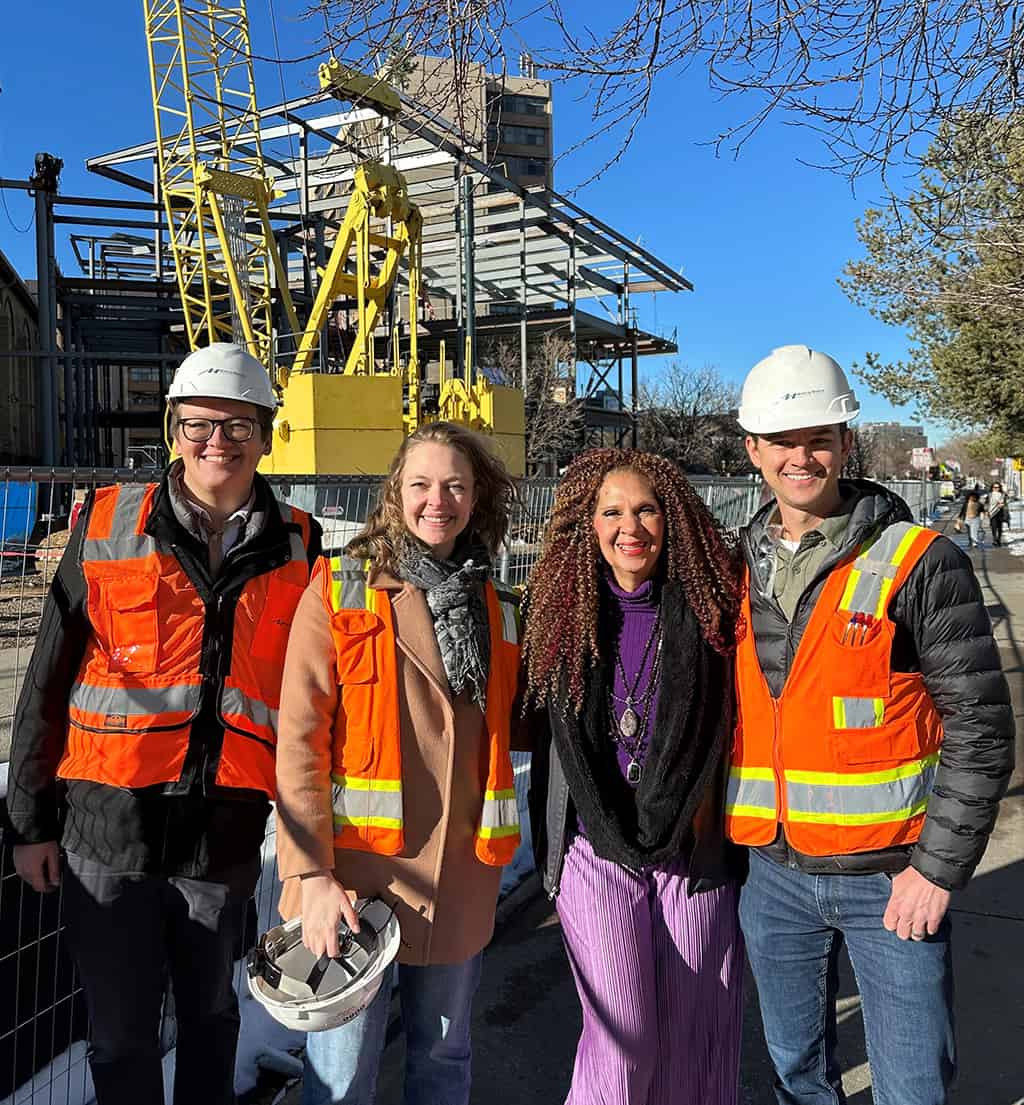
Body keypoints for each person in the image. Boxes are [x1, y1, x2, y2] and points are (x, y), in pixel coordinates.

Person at [6, 343, 321, 1105]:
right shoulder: (109, 522)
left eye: (239, 426)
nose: (219, 442)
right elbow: (47, 675)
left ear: (267, 433)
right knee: (119, 1033)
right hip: (106, 833)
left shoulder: (301, 545)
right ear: (175, 428)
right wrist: (28, 822)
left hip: (225, 832)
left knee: (213, 1014)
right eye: (201, 425)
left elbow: (318, 696)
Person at [728, 344, 1014, 1105]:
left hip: (894, 880)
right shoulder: (734, 566)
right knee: (796, 1076)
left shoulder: (919, 561)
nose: (802, 455)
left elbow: (981, 728)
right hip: (774, 877)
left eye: (819, 436)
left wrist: (937, 869)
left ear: (846, 442)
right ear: (753, 447)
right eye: (783, 441)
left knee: (913, 1088)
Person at [273, 420, 522, 1105]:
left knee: (443, 1061)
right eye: (420, 484)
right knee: (342, 1077)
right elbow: (298, 740)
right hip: (353, 885)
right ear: (394, 495)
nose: (436, 500)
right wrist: (311, 874)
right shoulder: (343, 590)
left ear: (478, 497)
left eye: (454, 485)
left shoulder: (497, 608)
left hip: (458, 882)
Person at [522, 448, 747, 1105]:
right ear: (587, 524)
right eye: (612, 510)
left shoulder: (715, 606)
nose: (631, 526)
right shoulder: (557, 613)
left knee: (698, 1044)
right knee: (624, 1042)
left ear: (671, 515)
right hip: (595, 848)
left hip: (695, 844)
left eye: (647, 507)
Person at [986, 481, 1008, 546]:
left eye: (997, 487)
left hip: (1000, 512)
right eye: (995, 487)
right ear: (992, 488)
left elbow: (1006, 503)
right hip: (992, 512)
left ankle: (999, 539)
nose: (996, 488)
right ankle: (994, 539)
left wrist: (1003, 505)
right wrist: (986, 511)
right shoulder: (989, 495)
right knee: (993, 526)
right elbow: (987, 503)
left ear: (1000, 488)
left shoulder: (1003, 495)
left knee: (1000, 527)